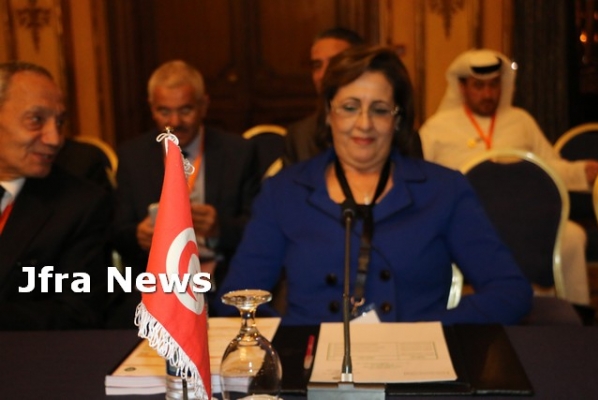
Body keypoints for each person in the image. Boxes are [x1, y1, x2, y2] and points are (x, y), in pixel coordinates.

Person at [215, 46, 533, 325]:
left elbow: (510, 292)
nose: (364, 124)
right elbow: (236, 298)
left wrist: (431, 332)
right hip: (311, 363)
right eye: (350, 107)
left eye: (380, 110)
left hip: (415, 365)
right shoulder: (284, 192)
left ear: (397, 120)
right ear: (328, 114)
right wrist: (291, 346)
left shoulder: (444, 190)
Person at [419, 49, 598, 306]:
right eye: (478, 86)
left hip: (527, 216)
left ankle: (574, 312)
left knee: (572, 237)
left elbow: (548, 167)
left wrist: (582, 172)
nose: (488, 94)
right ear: (462, 87)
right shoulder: (437, 128)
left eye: (494, 85)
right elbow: (420, 177)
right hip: (465, 222)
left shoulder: (521, 121)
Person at [112, 60, 260, 325]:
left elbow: (259, 230)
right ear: (151, 108)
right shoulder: (132, 156)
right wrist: (138, 235)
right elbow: (116, 232)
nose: (175, 122)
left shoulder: (238, 153)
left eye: (185, 110)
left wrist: (219, 229)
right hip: (158, 283)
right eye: (164, 111)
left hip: (219, 280)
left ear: (204, 105)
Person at [0, 61, 112, 330]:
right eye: (36, 120)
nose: (55, 139)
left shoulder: (79, 205)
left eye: (60, 122)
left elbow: (77, 312)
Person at [282, 27, 365, 166]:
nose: (323, 75)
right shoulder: (299, 136)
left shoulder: (384, 127)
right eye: (317, 65)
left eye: (335, 63)